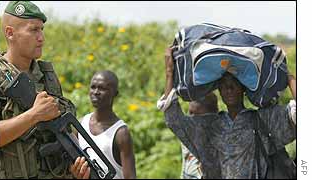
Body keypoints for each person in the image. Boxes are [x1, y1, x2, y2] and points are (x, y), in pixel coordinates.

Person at [158, 47, 296, 179]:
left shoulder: (263, 120)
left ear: (243, 87)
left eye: (234, 83)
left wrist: (290, 78)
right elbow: (173, 119)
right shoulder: (211, 126)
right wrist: (169, 73)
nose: (229, 89)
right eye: (223, 85)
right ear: (219, 90)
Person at [0, 1, 85, 179]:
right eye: (33, 30)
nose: (41, 38)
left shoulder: (46, 76)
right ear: (10, 33)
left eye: (42, 29)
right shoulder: (0, 76)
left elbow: (63, 129)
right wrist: (34, 115)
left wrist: (74, 165)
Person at [70, 70, 136, 179]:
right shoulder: (81, 124)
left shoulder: (120, 133)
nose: (96, 92)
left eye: (102, 88)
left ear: (115, 93)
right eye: (93, 87)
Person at [180, 94, 218, 179]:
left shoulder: (218, 137)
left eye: (197, 115)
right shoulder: (187, 132)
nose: (192, 119)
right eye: (190, 113)